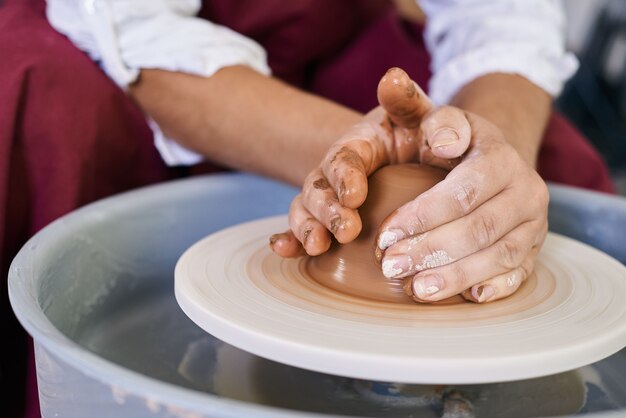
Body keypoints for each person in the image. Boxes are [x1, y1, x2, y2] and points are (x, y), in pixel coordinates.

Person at [0, 0, 615, 416]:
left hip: (333, 32)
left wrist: (485, 162)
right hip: (128, 48)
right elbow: (127, 24)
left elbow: (503, 17)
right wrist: (358, 160)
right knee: (41, 104)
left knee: (553, 166)